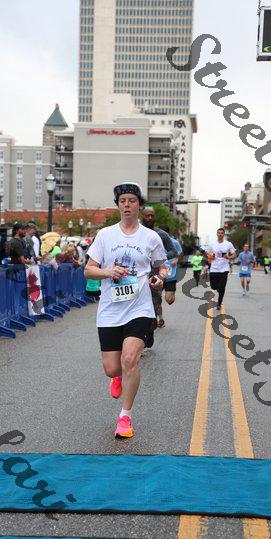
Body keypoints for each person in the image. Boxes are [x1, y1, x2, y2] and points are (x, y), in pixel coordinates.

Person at [84, 182, 168, 439]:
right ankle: (117, 376)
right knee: (112, 368)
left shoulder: (150, 237)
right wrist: (107, 271)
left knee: (130, 358)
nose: (127, 205)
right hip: (110, 310)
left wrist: (160, 278)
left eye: (132, 200)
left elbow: (162, 267)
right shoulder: (105, 235)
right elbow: (88, 270)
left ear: (139, 205)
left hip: (139, 308)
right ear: (118, 205)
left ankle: (125, 417)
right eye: (123, 201)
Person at [141, 206, 176, 328]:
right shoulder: (135, 232)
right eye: (147, 215)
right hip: (137, 275)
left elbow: (173, 251)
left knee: (154, 302)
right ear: (142, 217)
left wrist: (160, 257)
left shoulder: (161, 234)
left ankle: (151, 326)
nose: (150, 218)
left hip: (155, 275)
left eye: (152, 215)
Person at [207, 228, 237, 309]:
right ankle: (218, 289)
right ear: (217, 234)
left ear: (224, 234)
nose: (220, 234)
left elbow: (234, 254)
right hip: (214, 268)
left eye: (222, 233)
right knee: (213, 286)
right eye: (219, 233)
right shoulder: (212, 244)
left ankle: (219, 304)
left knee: (222, 287)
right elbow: (207, 253)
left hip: (224, 269)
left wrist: (228, 257)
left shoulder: (228, 244)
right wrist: (210, 257)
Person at [159, 225, 183, 308]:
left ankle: (172, 295)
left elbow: (181, 253)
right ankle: (158, 315)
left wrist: (177, 260)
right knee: (156, 299)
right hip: (158, 274)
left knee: (169, 300)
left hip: (171, 275)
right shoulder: (155, 241)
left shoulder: (174, 242)